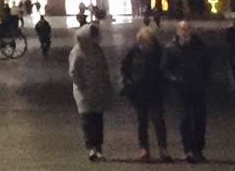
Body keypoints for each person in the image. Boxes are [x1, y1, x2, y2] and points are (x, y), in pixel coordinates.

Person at [120, 24, 171, 162]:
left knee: (158, 120)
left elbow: (165, 68)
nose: (146, 44)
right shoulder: (134, 51)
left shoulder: (159, 51)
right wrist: (129, 81)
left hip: (155, 90)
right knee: (142, 121)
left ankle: (163, 148)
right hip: (139, 91)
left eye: (148, 40)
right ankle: (144, 148)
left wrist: (164, 84)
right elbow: (125, 67)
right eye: (143, 41)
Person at [166, 20, 212, 162]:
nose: (185, 32)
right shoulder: (171, 48)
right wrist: (174, 79)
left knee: (200, 119)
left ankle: (198, 149)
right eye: (182, 29)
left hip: (198, 87)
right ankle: (188, 149)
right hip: (181, 89)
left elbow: (207, 65)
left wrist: (204, 80)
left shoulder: (200, 47)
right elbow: (165, 68)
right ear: (178, 31)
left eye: (187, 29)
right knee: (185, 119)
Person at [69, 22, 113, 161]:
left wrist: (105, 83)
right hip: (84, 91)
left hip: (97, 89)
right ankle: (91, 147)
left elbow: (104, 67)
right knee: (87, 119)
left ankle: (98, 146)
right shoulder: (77, 51)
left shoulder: (97, 50)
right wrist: (81, 85)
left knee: (98, 119)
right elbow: (74, 71)